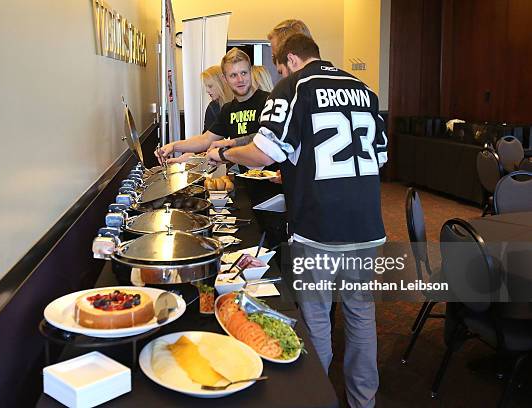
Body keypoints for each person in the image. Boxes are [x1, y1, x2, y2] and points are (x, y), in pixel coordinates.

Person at [207, 34, 388, 408]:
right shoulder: (366, 91)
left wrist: (224, 153)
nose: (277, 71)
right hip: (368, 225)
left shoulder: (292, 88)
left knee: (317, 318)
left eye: (278, 64)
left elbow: (260, 154)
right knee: (360, 315)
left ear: (289, 58)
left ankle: (315, 399)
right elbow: (380, 158)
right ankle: (363, 401)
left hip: (319, 225)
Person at [155, 48, 269, 164]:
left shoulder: (269, 101)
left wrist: (227, 148)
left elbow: (267, 140)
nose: (240, 79)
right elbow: (206, 139)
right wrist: (174, 146)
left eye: (243, 73)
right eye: (233, 75)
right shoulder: (228, 109)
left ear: (250, 72)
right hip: (242, 178)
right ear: (225, 79)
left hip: (272, 179)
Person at [201, 65, 233, 132]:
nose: (207, 90)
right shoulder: (212, 107)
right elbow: (206, 135)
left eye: (210, 86)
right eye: (206, 86)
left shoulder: (239, 103)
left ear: (221, 84)